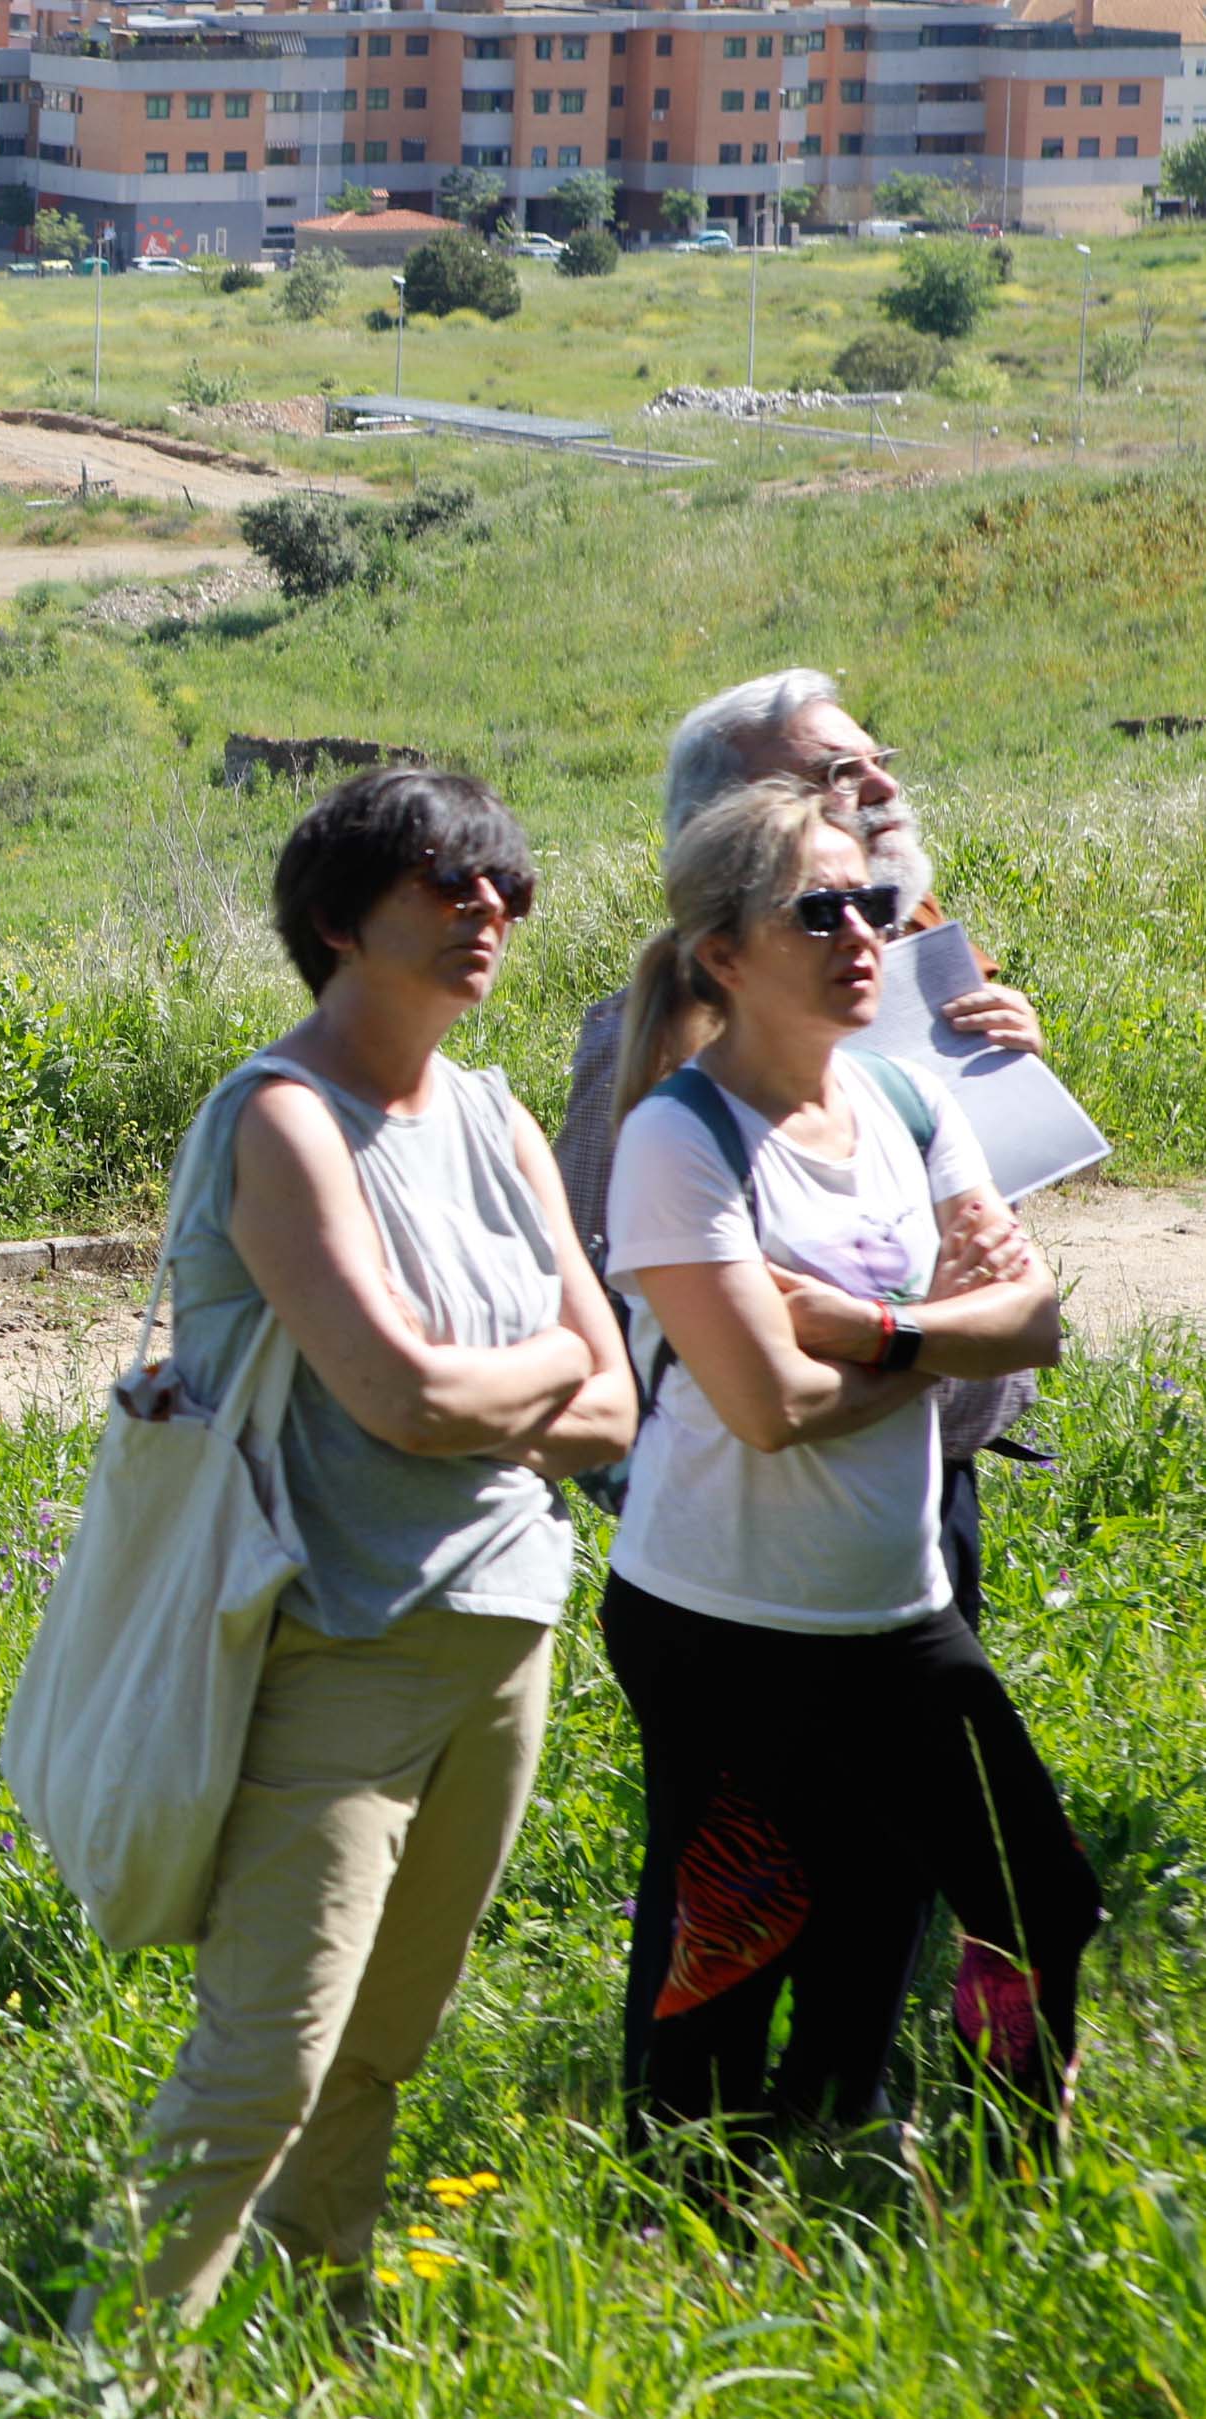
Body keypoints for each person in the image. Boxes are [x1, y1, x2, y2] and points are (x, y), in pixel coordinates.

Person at [110, 768, 635, 2322]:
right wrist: (534, 1374)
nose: (488, 911)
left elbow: (612, 1407)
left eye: (507, 890)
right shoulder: (278, 1117)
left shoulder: (487, 1112)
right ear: (338, 919)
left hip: (502, 1626)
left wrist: (510, 1383)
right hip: (334, 1637)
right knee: (264, 2053)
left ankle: (312, 2313)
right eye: (446, 882)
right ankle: (108, 2360)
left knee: (383, 2035)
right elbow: (404, 1396)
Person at [559, 669, 1051, 2129]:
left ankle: (843, 2114)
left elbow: (1010, 1284)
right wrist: (922, 1337)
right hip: (734, 1547)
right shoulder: (653, 1059)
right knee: (734, 1873)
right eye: (834, 776)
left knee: (898, 1858)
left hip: (912, 1505)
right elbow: (693, 1336)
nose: (877, 788)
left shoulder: (920, 1018)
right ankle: (691, 2163)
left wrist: (1007, 1079)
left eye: (876, 762)